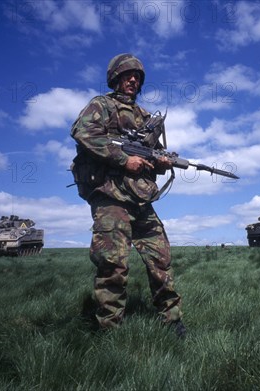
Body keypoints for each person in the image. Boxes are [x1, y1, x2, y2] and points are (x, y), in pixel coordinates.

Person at [70, 53, 186, 338]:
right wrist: (123, 160)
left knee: (161, 259)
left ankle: (172, 321)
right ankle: (110, 329)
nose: (133, 80)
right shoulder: (101, 105)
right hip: (110, 197)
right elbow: (82, 133)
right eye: (127, 75)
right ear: (115, 78)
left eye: (137, 77)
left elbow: (148, 159)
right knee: (113, 264)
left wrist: (159, 164)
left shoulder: (146, 117)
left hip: (140, 199)